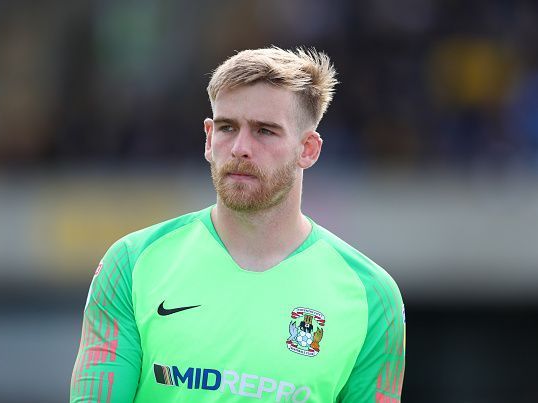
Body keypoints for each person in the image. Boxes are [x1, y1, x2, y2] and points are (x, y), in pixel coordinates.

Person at [70, 46, 405, 402]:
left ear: (308, 149)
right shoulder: (133, 263)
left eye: (265, 131)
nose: (240, 148)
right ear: (208, 138)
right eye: (228, 128)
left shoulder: (371, 296)